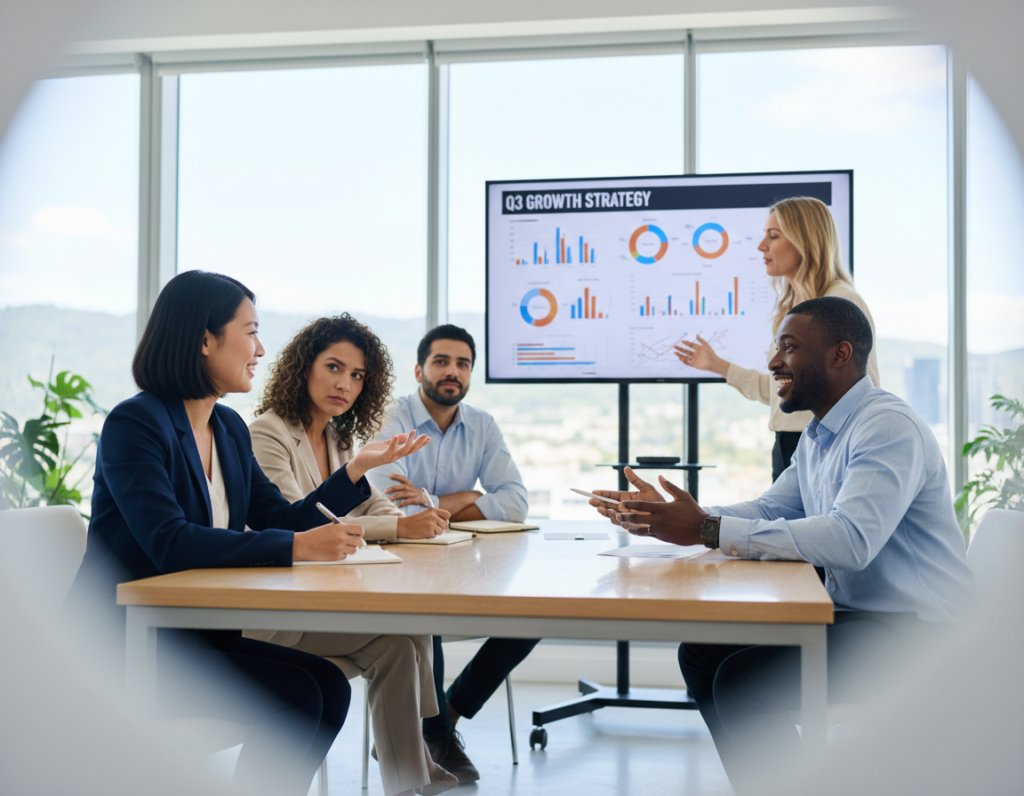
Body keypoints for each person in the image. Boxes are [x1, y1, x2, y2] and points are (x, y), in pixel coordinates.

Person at [589, 297, 974, 796]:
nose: (773, 363)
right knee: (702, 654)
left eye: (788, 348)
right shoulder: (820, 433)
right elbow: (772, 508)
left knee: (741, 683)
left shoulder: (886, 427)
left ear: (839, 355)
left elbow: (851, 539)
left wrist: (706, 530)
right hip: (860, 614)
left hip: (922, 633)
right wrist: (678, 517)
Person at [63, 271, 428, 796]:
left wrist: (352, 473)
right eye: (250, 331)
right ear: (205, 339)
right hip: (126, 646)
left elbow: (279, 518)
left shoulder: (228, 428)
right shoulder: (136, 423)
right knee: (304, 694)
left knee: (326, 687)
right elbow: (169, 542)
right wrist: (299, 548)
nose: (259, 349)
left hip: (200, 635)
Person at [246, 314, 457, 796]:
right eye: (334, 367)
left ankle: (408, 779)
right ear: (304, 368)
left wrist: (412, 523)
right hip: (278, 609)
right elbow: (300, 521)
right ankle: (417, 753)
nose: (345, 384)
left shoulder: (339, 436)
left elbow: (368, 502)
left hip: (322, 599)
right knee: (407, 625)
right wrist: (399, 528)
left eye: (358, 375)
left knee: (402, 641)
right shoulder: (268, 432)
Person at [366, 324, 536, 783]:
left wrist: (438, 503)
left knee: (532, 619)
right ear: (420, 369)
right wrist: (471, 497)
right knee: (426, 613)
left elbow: (516, 500)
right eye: (442, 361)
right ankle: (433, 733)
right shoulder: (392, 417)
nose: (452, 372)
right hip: (400, 561)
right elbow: (388, 496)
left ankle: (448, 715)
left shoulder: (481, 424)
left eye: (463, 364)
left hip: (463, 560)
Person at [674, 196, 880, 481]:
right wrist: (716, 365)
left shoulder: (842, 301)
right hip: (788, 446)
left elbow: (864, 391)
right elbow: (778, 390)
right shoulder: (788, 310)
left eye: (773, 236)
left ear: (804, 240)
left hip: (827, 447)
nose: (761, 246)